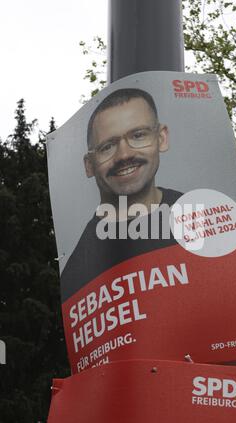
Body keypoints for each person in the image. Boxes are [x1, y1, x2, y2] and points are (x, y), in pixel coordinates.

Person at [61, 88, 182, 302]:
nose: (124, 155)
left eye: (138, 135)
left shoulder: (206, 219)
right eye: (107, 147)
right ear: (89, 166)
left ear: (161, 138)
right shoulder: (79, 272)